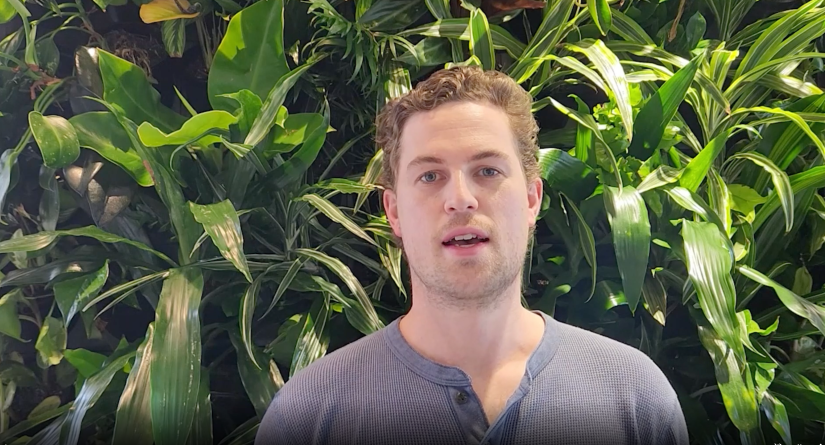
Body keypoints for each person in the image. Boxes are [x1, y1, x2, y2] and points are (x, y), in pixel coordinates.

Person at [255, 65, 690, 445]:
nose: (460, 199)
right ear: (394, 212)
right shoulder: (308, 416)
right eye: (430, 175)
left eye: (487, 170)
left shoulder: (635, 397)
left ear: (531, 198)